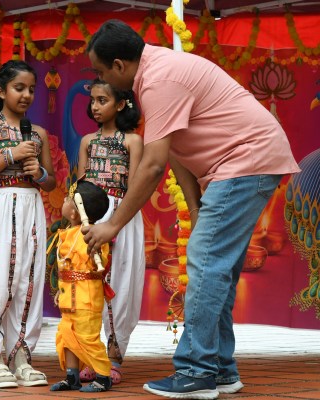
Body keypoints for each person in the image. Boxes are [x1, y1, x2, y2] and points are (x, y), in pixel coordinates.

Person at [83, 20, 301, 400]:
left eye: (101, 72)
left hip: (244, 162)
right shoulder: (154, 74)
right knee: (218, 270)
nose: (100, 80)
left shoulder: (159, 80)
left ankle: (196, 371)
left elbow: (153, 166)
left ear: (119, 65)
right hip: (246, 164)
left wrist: (112, 225)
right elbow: (176, 151)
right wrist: (196, 205)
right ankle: (220, 369)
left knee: (205, 263)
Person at [0, 60, 56, 389]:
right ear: (2, 91)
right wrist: (10, 156)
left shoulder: (39, 134)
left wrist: (39, 173)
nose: (27, 95)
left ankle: (21, 357)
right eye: (19, 88)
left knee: (27, 282)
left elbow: (51, 183)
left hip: (31, 206)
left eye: (31, 89)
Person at [76, 78, 145, 384]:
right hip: (91, 216)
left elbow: (136, 187)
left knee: (121, 285)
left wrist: (116, 220)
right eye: (92, 100)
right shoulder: (87, 142)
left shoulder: (132, 141)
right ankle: (91, 356)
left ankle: (115, 357)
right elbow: (81, 187)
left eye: (102, 100)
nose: (95, 106)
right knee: (89, 285)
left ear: (120, 104)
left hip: (123, 215)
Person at [50, 180, 113, 393]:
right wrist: (61, 290)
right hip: (69, 297)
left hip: (86, 299)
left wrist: (95, 252)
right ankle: (72, 377)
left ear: (75, 212)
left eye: (68, 199)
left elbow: (98, 263)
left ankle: (103, 377)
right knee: (67, 336)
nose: (64, 200)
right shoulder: (68, 232)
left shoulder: (93, 234)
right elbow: (66, 267)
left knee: (88, 338)